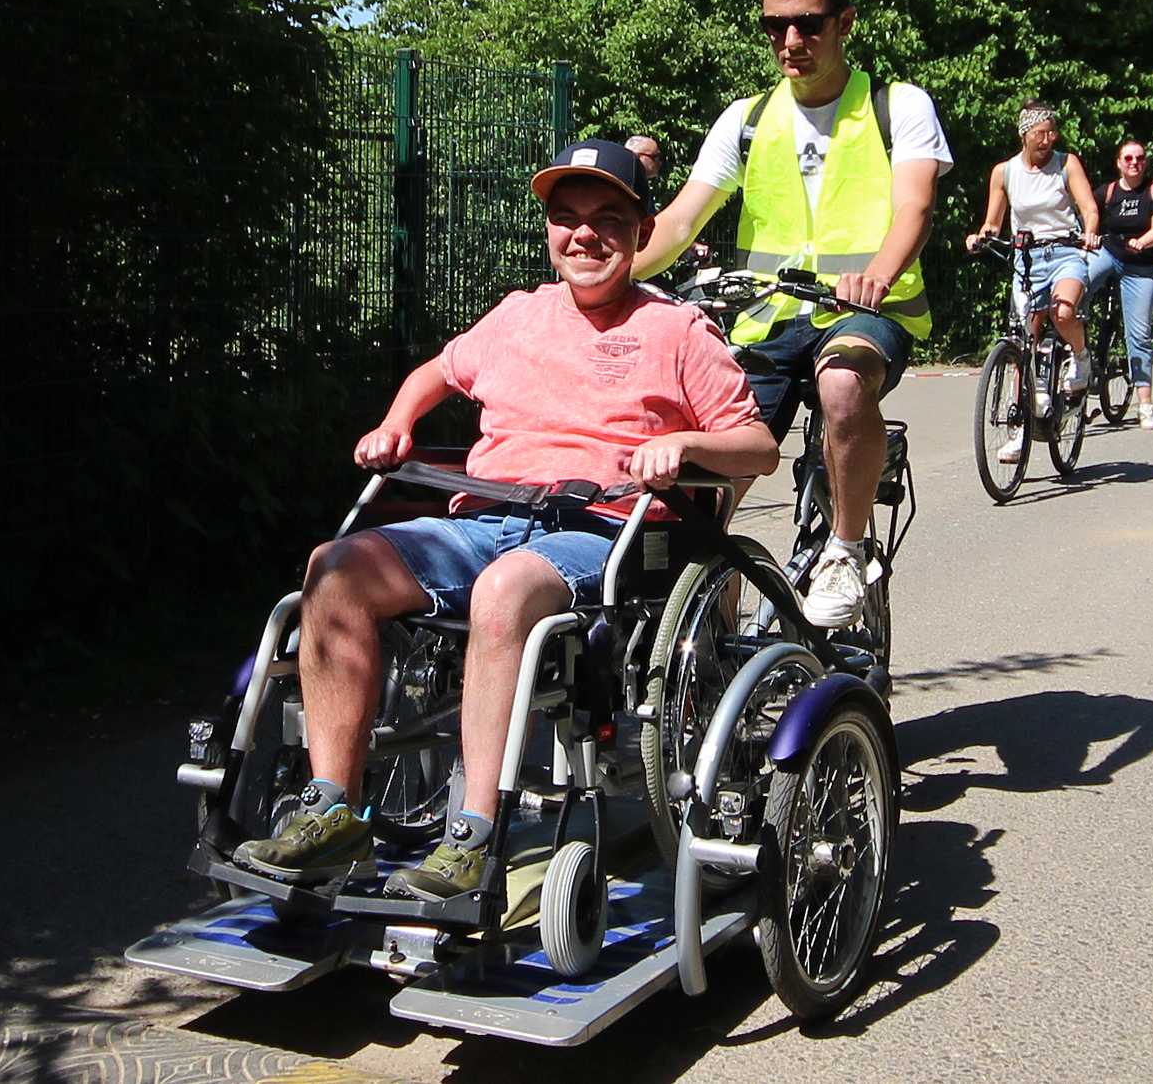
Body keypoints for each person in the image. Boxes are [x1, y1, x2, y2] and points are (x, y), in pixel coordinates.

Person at [232, 141, 780, 898]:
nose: (584, 235)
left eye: (607, 220)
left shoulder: (677, 331)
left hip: (601, 533)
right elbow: (437, 371)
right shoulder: (515, 315)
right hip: (484, 519)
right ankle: (332, 814)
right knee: (336, 570)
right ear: (550, 232)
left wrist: (682, 442)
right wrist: (398, 422)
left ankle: (472, 835)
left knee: (503, 590)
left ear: (643, 232)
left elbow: (758, 447)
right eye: (566, 218)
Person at [633, 0, 952, 629]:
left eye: (808, 23)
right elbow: (681, 220)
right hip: (764, 320)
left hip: (865, 311)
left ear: (844, 23)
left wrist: (877, 277)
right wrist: (605, 275)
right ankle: (706, 638)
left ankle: (844, 545)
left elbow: (914, 209)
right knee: (703, 478)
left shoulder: (898, 107)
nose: (789, 40)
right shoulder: (746, 120)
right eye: (774, 25)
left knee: (841, 385)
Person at [964, 100, 1102, 463]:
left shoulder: (1066, 163)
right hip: (1027, 258)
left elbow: (1088, 206)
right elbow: (993, 221)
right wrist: (982, 236)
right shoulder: (1004, 172)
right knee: (1023, 340)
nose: (1047, 139)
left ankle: (1081, 358)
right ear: (1024, 133)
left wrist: (1089, 234)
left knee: (1063, 311)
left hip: (1066, 252)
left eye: (1052, 132)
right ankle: (1020, 430)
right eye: (1040, 133)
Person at [1086, 138, 1153, 430]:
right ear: (1119, 163)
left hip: (1141, 266)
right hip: (1109, 254)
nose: (1134, 163)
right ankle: (1076, 349)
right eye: (1128, 159)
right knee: (1075, 286)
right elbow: (1087, 213)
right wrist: (1091, 235)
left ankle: (1145, 404)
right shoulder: (1108, 192)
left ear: (1145, 162)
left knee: (1139, 334)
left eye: (1139, 158)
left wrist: (1142, 242)